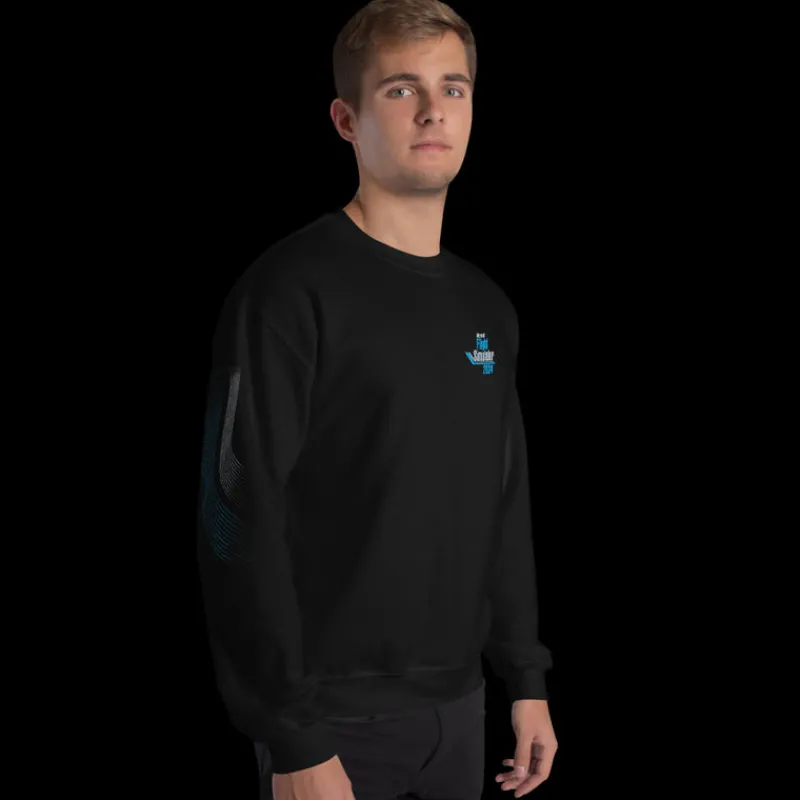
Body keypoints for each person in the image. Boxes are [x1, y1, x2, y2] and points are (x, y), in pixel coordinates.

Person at [195, 1, 557, 798]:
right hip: (333, 721)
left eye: (453, 88)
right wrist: (293, 736)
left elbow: (503, 503)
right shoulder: (289, 292)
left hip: (461, 709)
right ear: (345, 120)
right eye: (400, 89)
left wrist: (525, 678)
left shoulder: (487, 307)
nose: (433, 110)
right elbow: (236, 513)